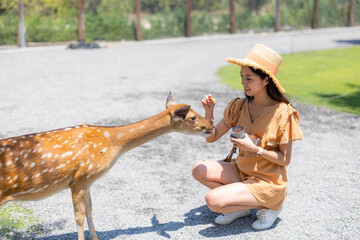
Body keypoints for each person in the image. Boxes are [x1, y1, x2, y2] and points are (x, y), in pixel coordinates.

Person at [192, 44, 304, 230]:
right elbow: (211, 137)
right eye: (242, 77)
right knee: (199, 169)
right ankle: (240, 207)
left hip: (267, 182)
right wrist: (208, 114)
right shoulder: (239, 106)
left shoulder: (283, 113)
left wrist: (254, 149)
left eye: (249, 78)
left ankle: (271, 205)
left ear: (266, 80)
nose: (243, 83)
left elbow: (285, 160)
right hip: (242, 172)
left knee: (213, 201)